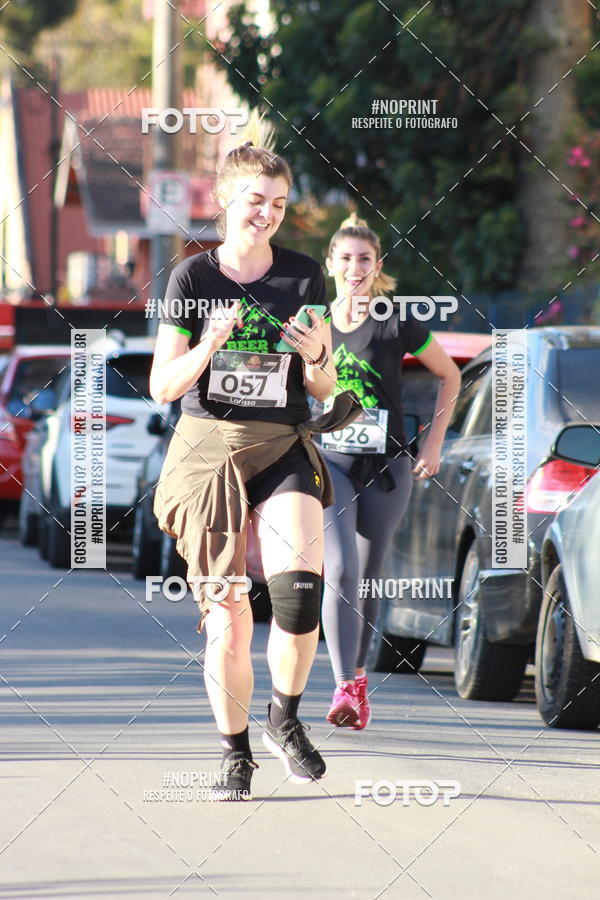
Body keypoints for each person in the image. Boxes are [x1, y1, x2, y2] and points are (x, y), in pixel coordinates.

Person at [149, 114, 358, 800]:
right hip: (209, 453)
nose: (266, 213)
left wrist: (316, 355)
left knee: (300, 593)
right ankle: (235, 752)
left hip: (283, 443)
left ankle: (284, 717)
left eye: (277, 203)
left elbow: (326, 385)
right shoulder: (191, 277)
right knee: (230, 619)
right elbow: (162, 386)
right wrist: (209, 346)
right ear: (226, 202)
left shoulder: (302, 278)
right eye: (254, 201)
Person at [319, 214, 461, 729]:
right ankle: (342, 686)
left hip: (388, 467)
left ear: (377, 267)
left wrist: (434, 443)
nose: (354, 268)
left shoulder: (395, 320)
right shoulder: (313, 321)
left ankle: (358, 685)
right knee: (338, 570)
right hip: (328, 460)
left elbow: (450, 376)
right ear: (330, 264)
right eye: (345, 258)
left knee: (368, 578)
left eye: (364, 259)